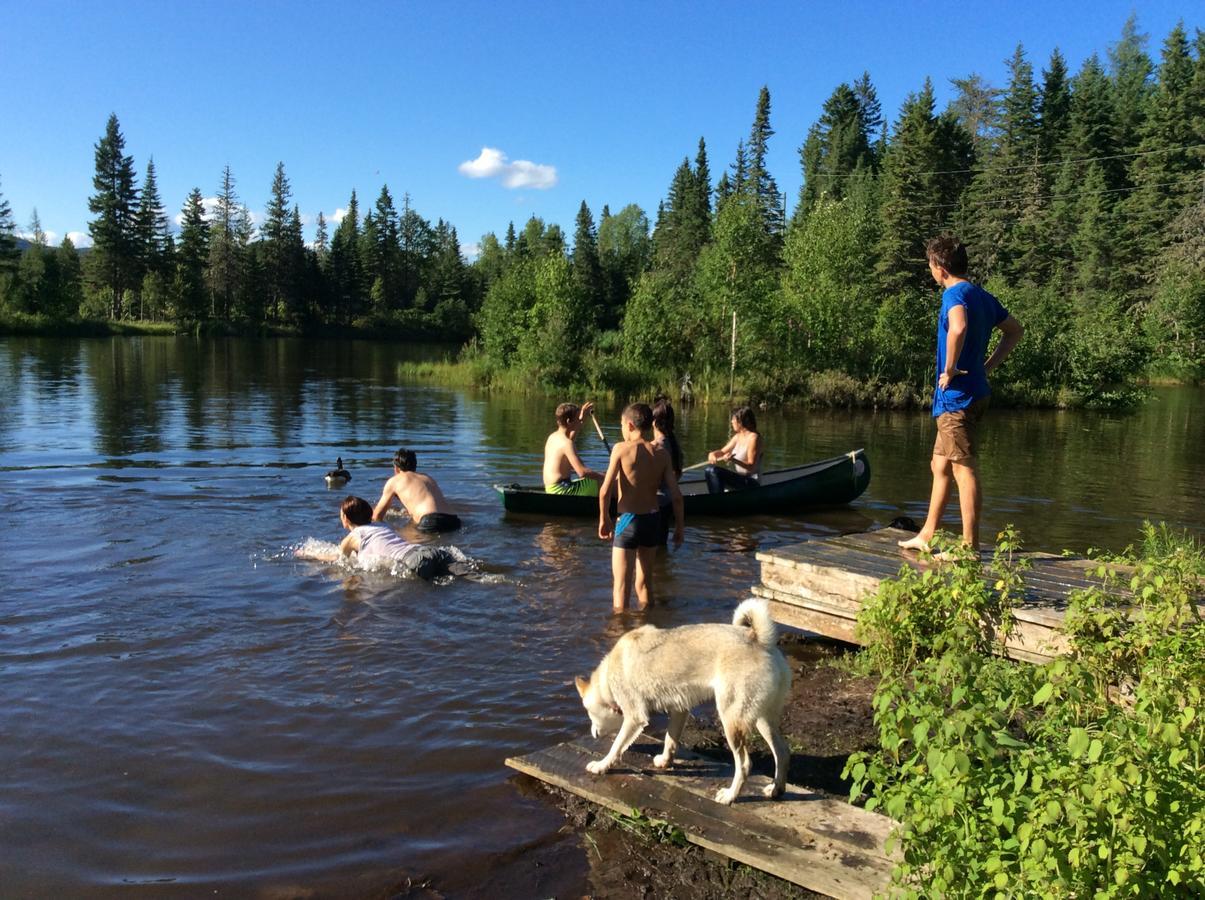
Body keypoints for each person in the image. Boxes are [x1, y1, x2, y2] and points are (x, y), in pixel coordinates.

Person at [899, 234, 1024, 553]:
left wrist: (951, 367)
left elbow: (958, 327)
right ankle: (927, 535)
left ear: (940, 268)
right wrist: (988, 365)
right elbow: (1015, 331)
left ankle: (969, 548)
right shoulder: (982, 296)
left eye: (930, 266)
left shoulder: (954, 295)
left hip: (958, 399)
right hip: (972, 393)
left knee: (963, 468)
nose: (931, 271)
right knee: (939, 464)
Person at [598, 403, 684, 612]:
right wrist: (680, 526)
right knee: (645, 584)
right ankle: (648, 626)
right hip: (652, 521)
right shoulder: (662, 454)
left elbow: (604, 491)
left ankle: (620, 633)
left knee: (621, 587)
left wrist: (604, 519)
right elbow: (677, 496)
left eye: (620, 425)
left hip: (628, 520)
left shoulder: (620, 449)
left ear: (629, 425)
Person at [336, 496, 467, 579]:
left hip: (416, 562)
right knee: (474, 576)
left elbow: (340, 561)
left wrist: (316, 555)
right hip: (431, 551)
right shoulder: (381, 525)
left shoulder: (350, 539)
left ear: (345, 518)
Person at [373, 448, 461, 532]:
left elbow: (376, 516)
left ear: (396, 468)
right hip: (453, 520)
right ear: (415, 466)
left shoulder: (394, 481)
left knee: (402, 542)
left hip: (430, 521)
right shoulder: (427, 478)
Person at [543, 400, 604, 495]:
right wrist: (605, 476)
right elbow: (582, 472)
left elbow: (570, 439)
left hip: (552, 489)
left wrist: (582, 418)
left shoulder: (553, 437)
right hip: (562, 490)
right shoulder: (567, 443)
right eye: (577, 419)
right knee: (604, 481)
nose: (580, 421)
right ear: (569, 422)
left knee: (598, 477)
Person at [704, 406, 762, 495]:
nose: (731, 422)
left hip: (751, 482)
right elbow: (722, 452)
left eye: (733, 419)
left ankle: (716, 502)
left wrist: (733, 460)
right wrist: (712, 454)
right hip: (741, 479)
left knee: (713, 471)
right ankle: (716, 499)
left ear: (741, 422)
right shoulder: (738, 437)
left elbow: (751, 467)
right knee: (708, 470)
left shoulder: (754, 438)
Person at [651, 395, 683, 546]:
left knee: (648, 556)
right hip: (667, 505)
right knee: (660, 553)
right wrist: (679, 527)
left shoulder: (656, 447)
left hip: (653, 507)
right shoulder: (674, 444)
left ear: (654, 422)